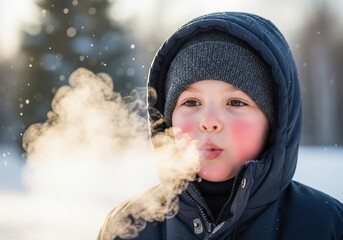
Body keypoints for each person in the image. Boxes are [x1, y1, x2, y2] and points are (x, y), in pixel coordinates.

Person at [98, 12, 343, 240]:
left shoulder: (326, 224)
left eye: (235, 102)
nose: (209, 122)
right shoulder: (128, 227)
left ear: (275, 122)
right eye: (191, 102)